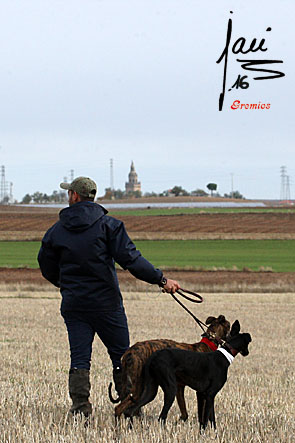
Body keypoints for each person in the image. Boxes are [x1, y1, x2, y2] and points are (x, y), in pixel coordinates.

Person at [38, 176, 180, 417]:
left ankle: (81, 409)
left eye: (68, 192)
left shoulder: (56, 231)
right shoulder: (109, 226)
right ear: (92, 197)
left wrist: (65, 285)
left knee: (79, 358)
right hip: (107, 304)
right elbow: (132, 260)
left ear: (74, 196)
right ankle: (129, 406)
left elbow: (45, 264)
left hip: (75, 304)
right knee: (122, 356)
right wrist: (161, 280)